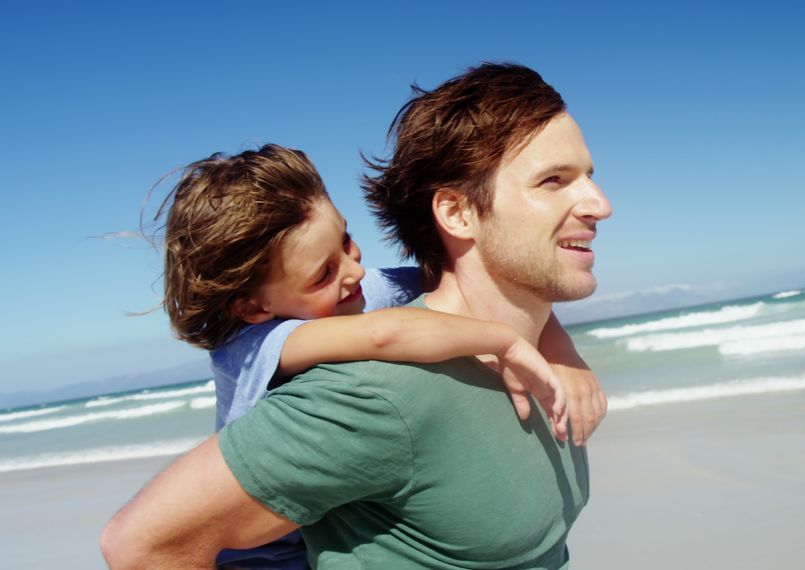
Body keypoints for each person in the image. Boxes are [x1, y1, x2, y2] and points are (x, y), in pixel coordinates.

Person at [101, 62, 612, 569]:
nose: (600, 204)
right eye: (552, 181)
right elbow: (138, 544)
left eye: (588, 175)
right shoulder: (366, 393)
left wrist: (558, 352)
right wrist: (506, 342)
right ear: (456, 213)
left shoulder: (391, 294)